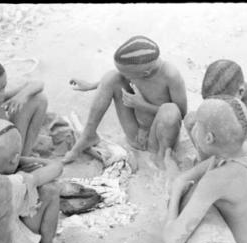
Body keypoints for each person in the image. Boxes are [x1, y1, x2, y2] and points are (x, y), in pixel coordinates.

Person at [48, 96, 247, 243]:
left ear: (208, 138)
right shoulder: (244, 150)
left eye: (197, 127)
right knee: (191, 188)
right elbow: (199, 170)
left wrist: (175, 194)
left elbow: (172, 241)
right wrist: (180, 178)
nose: (193, 128)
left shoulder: (217, 179)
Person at [62, 35, 188, 168]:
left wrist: (142, 105)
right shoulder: (137, 70)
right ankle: (88, 135)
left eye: (127, 74)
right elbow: (118, 77)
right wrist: (91, 86)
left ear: (145, 73)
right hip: (136, 133)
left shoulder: (171, 75)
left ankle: (162, 157)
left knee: (170, 110)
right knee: (111, 77)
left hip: (158, 139)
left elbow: (180, 113)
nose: (124, 76)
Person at [186, 59, 247, 151]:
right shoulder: (219, 94)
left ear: (240, 92)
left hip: (245, 153)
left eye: (221, 104)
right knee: (190, 120)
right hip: (223, 145)